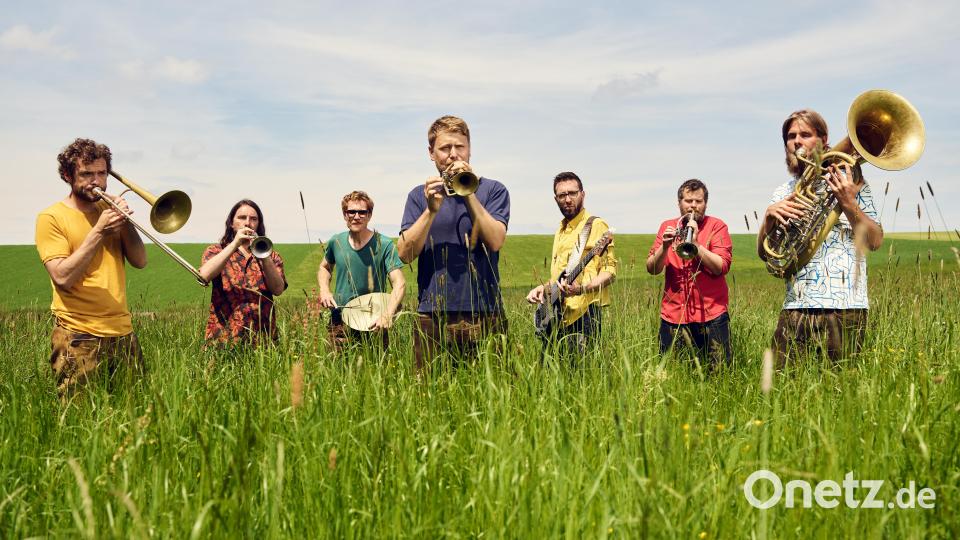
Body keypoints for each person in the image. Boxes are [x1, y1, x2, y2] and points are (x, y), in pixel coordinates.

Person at [757, 109, 883, 367]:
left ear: (824, 141)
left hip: (846, 307)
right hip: (796, 306)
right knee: (782, 392)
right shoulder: (783, 191)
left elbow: (875, 241)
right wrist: (768, 219)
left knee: (841, 395)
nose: (796, 141)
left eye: (805, 134)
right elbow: (767, 255)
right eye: (791, 136)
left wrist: (848, 203)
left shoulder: (854, 183)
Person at [36, 138, 148, 397]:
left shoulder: (108, 211)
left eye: (101, 173)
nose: (96, 181)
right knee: (79, 420)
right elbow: (62, 276)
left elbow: (140, 261)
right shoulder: (51, 218)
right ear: (67, 175)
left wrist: (126, 221)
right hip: (78, 336)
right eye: (86, 174)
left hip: (123, 332)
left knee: (134, 412)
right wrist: (99, 231)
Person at [398, 115, 510, 370]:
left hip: (485, 311)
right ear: (431, 153)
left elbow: (495, 240)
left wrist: (468, 192)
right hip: (432, 314)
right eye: (445, 148)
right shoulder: (419, 196)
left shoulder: (494, 190)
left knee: (491, 394)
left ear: (469, 148)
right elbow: (404, 254)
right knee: (427, 393)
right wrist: (431, 211)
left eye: (459, 147)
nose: (453, 155)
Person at [526, 172, 616, 357]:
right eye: (562, 195)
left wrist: (582, 289)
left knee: (582, 377)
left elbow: (610, 271)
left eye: (572, 193)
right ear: (555, 199)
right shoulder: (560, 229)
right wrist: (542, 288)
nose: (567, 199)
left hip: (584, 314)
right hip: (556, 313)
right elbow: (558, 278)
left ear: (583, 194)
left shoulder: (595, 225)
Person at [647, 179, 733, 367]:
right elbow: (652, 268)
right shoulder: (666, 226)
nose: (693, 206)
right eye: (688, 201)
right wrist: (665, 247)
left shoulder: (717, 226)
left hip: (712, 316)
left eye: (698, 201)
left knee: (719, 375)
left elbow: (721, 266)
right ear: (679, 203)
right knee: (671, 373)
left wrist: (696, 244)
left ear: (705, 204)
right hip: (673, 316)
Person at [318, 191, 406, 351]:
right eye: (351, 212)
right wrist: (324, 290)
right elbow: (324, 267)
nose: (356, 216)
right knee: (337, 371)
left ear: (369, 215)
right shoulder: (336, 241)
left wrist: (387, 314)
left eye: (362, 212)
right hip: (340, 318)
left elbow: (399, 282)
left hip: (374, 320)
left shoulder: (384, 244)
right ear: (345, 215)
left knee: (376, 371)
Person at [198, 199, 287, 347]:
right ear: (232, 224)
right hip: (223, 337)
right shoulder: (215, 251)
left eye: (253, 219)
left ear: (259, 224)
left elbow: (278, 289)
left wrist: (264, 256)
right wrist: (234, 244)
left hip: (263, 339)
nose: (248, 223)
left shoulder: (272, 256)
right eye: (241, 218)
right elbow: (204, 275)